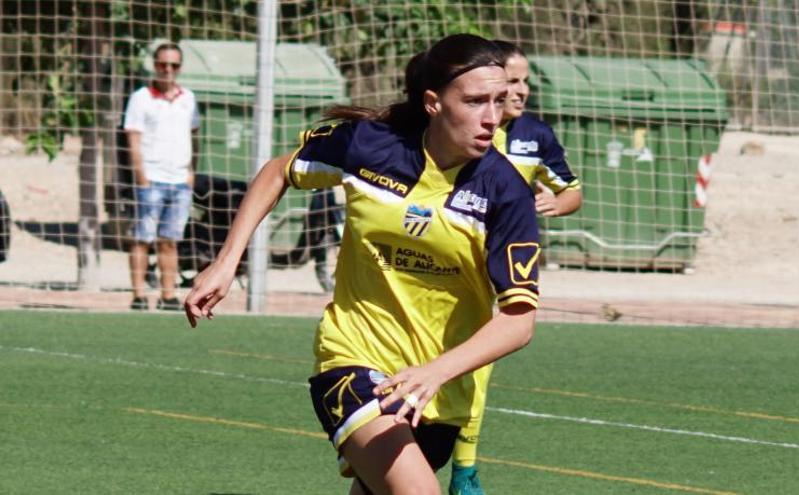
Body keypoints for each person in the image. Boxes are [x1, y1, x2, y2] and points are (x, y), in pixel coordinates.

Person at [184, 34, 540, 495]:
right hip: (352, 359)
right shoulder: (371, 147)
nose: (491, 117)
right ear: (433, 103)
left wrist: (434, 372)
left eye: (497, 100)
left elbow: (519, 320)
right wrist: (226, 260)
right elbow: (279, 170)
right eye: (474, 101)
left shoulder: (505, 190)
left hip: (438, 392)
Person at [448, 40, 583, 495]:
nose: (520, 90)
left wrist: (555, 202)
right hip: (444, 260)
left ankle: (464, 469)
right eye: (512, 80)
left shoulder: (535, 136)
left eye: (524, 81)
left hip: (498, 270)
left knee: (478, 367)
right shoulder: (458, 134)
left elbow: (572, 192)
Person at [124, 42, 200, 311]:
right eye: (162, 64)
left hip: (179, 181)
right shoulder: (141, 98)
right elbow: (133, 138)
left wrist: (190, 172)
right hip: (151, 179)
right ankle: (138, 294)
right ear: (154, 65)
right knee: (142, 238)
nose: (168, 70)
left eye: (174, 65)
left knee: (170, 241)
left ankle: (168, 295)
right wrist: (141, 176)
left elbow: (194, 136)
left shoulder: (188, 98)